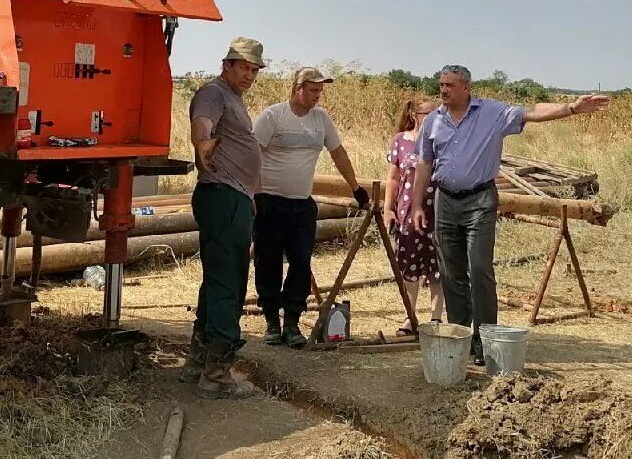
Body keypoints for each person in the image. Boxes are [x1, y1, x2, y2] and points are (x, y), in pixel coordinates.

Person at [411, 64, 609, 365]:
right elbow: (424, 164)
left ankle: (485, 338)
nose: (443, 90)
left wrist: (571, 108)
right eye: (441, 84)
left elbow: (531, 112)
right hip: (445, 201)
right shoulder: (433, 122)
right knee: (451, 272)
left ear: (466, 87)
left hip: (479, 198)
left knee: (478, 267)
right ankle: (460, 336)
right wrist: (415, 205)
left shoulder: (491, 113)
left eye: (450, 85)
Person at [251, 67, 370, 348]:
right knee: (267, 262)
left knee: (301, 263)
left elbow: (338, 153)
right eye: (313, 90)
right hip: (270, 200)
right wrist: (255, 195)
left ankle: (292, 322)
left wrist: (356, 187)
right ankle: (271, 322)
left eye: (320, 91)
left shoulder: (321, 119)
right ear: (298, 88)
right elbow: (252, 154)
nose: (318, 96)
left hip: (302, 204)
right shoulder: (273, 116)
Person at [180, 37, 266, 400]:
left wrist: (251, 197)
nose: (249, 74)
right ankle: (217, 373)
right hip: (223, 197)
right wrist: (202, 145)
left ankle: (199, 362)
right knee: (230, 282)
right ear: (227, 64)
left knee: (217, 280)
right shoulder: (214, 93)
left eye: (254, 69)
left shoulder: (235, 98)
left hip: (234, 198)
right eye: (244, 67)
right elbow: (202, 124)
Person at [383, 97, 444, 335]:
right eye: (427, 114)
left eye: (437, 114)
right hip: (407, 213)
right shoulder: (401, 141)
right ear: (415, 116)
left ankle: (436, 320)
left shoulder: (444, 141)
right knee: (408, 266)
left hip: (438, 212)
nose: (432, 119)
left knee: (438, 267)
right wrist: (388, 208)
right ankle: (410, 317)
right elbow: (393, 178)